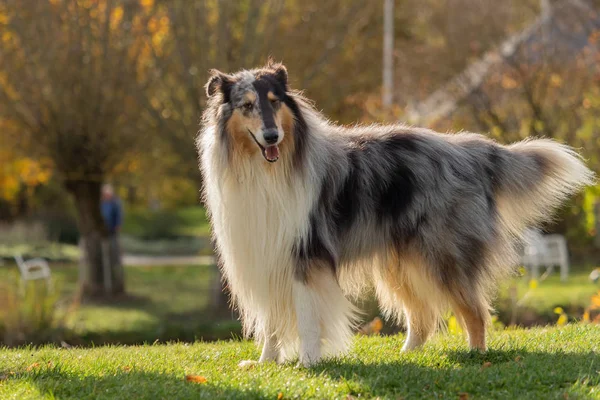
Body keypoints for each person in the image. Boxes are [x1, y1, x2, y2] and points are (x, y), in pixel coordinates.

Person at [100, 184, 124, 291]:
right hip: (103, 232)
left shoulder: (115, 203)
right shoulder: (102, 203)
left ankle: (116, 277)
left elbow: (118, 217)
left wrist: (117, 227)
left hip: (112, 232)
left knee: (114, 253)